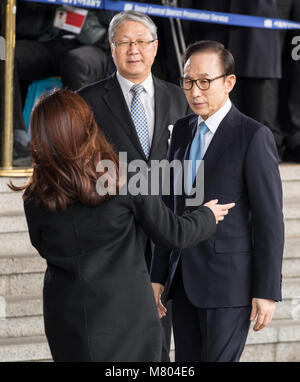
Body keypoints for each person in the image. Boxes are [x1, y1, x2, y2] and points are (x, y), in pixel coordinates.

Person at [10, 89, 234, 362]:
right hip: (127, 318)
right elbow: (174, 234)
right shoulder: (122, 181)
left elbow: (43, 246)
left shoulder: (34, 196)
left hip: (66, 318)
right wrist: (208, 215)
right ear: (87, 130)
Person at [151, 40, 284, 362]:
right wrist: (157, 276)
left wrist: (266, 291)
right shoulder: (181, 130)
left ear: (229, 82)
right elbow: (171, 207)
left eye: (205, 82)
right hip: (182, 282)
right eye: (188, 82)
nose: (195, 92)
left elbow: (269, 220)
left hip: (229, 285)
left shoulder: (253, 136)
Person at [77, 10, 190, 361]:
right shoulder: (86, 100)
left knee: (160, 333)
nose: (134, 49)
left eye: (141, 41)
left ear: (156, 48)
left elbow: (191, 163)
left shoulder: (181, 98)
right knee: (114, 333)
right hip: (114, 233)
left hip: (165, 232)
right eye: (124, 42)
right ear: (111, 48)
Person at [12, 1, 112, 164]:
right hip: (50, 41)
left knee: (74, 61)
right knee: (6, 55)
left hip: (95, 44)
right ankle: (16, 141)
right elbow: (21, 18)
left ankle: (80, 144)